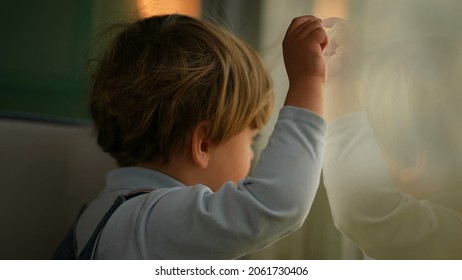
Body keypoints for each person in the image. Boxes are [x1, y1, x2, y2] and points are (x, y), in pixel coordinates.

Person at [73, 14, 328, 259]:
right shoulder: (152, 223)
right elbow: (277, 204)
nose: (252, 155)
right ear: (203, 144)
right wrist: (308, 81)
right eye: (251, 141)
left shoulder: (109, 214)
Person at [322, 18, 462, 259]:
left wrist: (340, 83)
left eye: (363, 139)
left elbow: (359, 205)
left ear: (410, 160)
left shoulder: (446, 237)